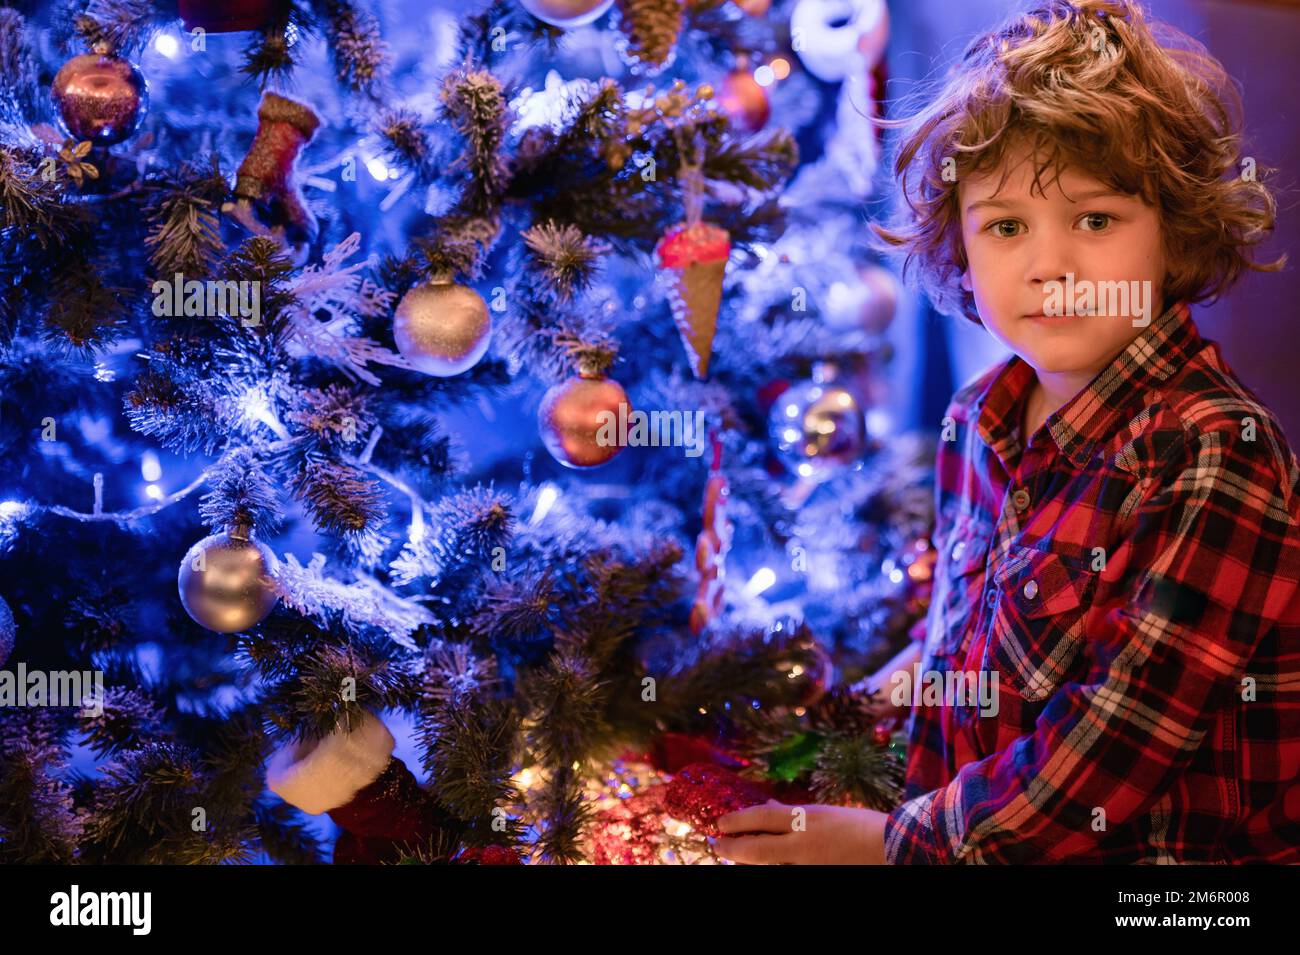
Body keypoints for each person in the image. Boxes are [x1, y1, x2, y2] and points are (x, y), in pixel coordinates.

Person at [716, 0, 1300, 864]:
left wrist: (884, 845)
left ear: (1172, 233)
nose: (1049, 264)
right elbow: (967, 637)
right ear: (960, 244)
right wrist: (858, 707)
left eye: (1095, 220)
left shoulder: (1213, 449)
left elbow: (1108, 757)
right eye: (1006, 226)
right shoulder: (977, 417)